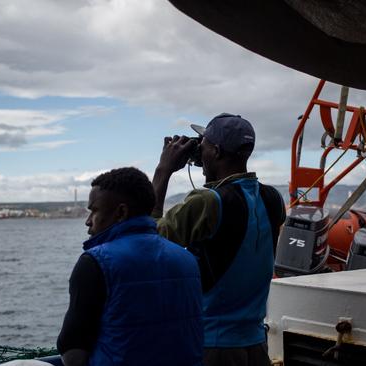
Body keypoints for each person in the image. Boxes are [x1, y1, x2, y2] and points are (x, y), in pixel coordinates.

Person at [152, 113, 286, 366]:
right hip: (255, 344)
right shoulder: (272, 199)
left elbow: (147, 241)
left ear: (215, 151)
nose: (199, 150)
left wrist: (164, 170)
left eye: (203, 145)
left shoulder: (208, 201)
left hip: (211, 345)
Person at [57, 167, 203, 366]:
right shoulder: (187, 260)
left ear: (121, 212)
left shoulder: (95, 263)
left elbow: (72, 347)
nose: (88, 221)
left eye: (94, 210)